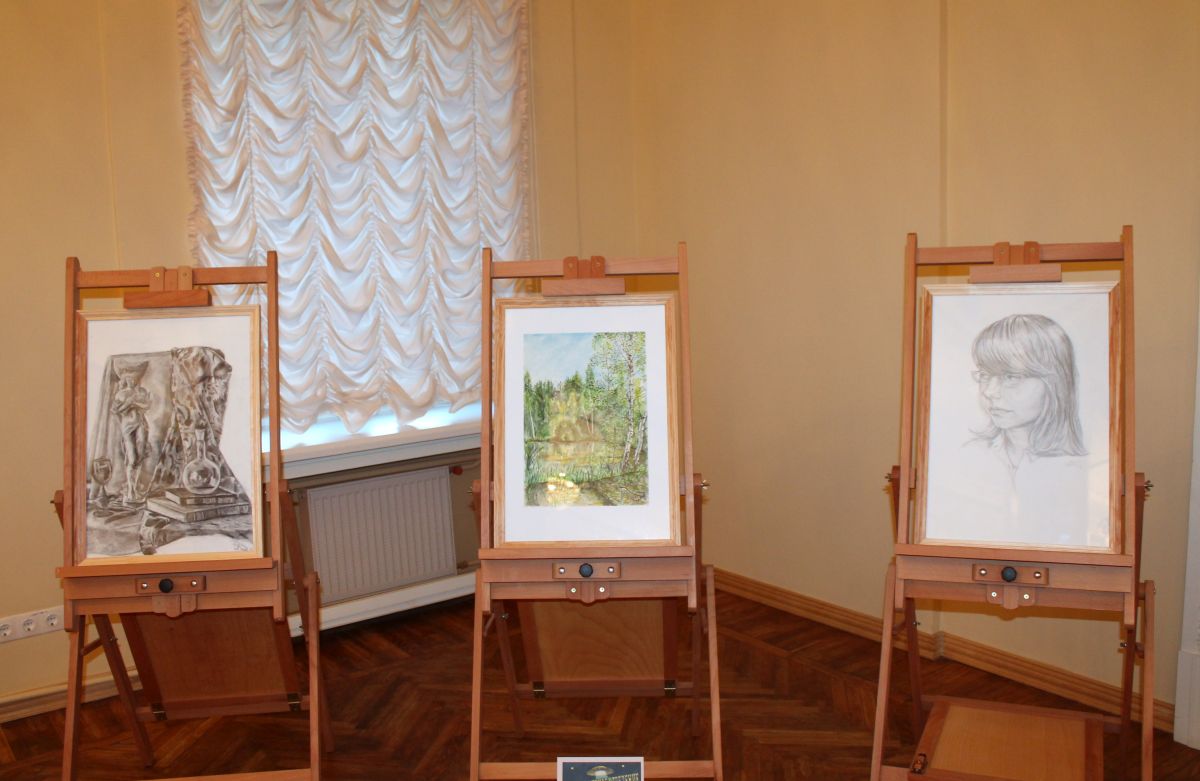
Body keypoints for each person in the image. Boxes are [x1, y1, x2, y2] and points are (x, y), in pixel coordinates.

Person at [925, 313, 1108, 549]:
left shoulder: (1085, 470)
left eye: (1011, 377)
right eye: (985, 375)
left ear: (1054, 381)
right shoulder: (967, 456)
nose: (990, 391)